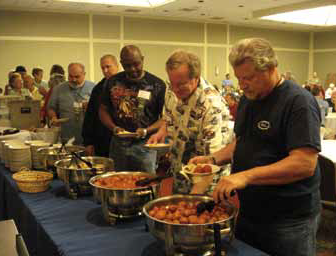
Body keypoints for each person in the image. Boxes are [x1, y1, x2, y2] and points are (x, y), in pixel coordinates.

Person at [190, 38, 321, 256]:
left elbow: (305, 163)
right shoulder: (248, 99)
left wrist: (244, 177)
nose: (242, 85)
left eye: (248, 78)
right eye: (239, 78)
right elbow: (242, 142)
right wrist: (213, 159)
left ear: (270, 68)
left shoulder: (299, 102)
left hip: (288, 220)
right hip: (250, 211)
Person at [147, 50, 231, 194]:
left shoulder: (211, 104)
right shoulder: (172, 89)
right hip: (180, 171)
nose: (174, 89)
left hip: (206, 180)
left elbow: (211, 161)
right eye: (171, 83)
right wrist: (162, 131)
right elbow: (168, 117)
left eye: (180, 84)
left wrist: (193, 199)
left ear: (196, 78)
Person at [99, 45, 166, 173]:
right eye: (128, 65)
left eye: (136, 64)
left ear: (142, 59)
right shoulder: (112, 82)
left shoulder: (157, 84)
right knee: (117, 181)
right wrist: (113, 127)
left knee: (146, 183)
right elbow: (103, 110)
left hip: (146, 145)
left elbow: (165, 118)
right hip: (119, 144)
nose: (133, 69)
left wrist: (146, 131)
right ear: (121, 63)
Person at [47, 62, 95, 145]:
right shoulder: (59, 89)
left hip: (88, 135)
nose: (74, 80)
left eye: (77, 77)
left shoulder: (93, 88)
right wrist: (54, 117)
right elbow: (51, 108)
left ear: (84, 74)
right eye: (71, 76)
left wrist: (91, 107)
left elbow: (101, 111)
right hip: (66, 134)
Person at [82, 54, 119, 156]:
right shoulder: (98, 89)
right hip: (102, 140)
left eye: (108, 66)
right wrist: (88, 142)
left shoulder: (127, 85)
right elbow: (90, 116)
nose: (105, 70)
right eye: (103, 68)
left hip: (122, 140)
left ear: (117, 66)